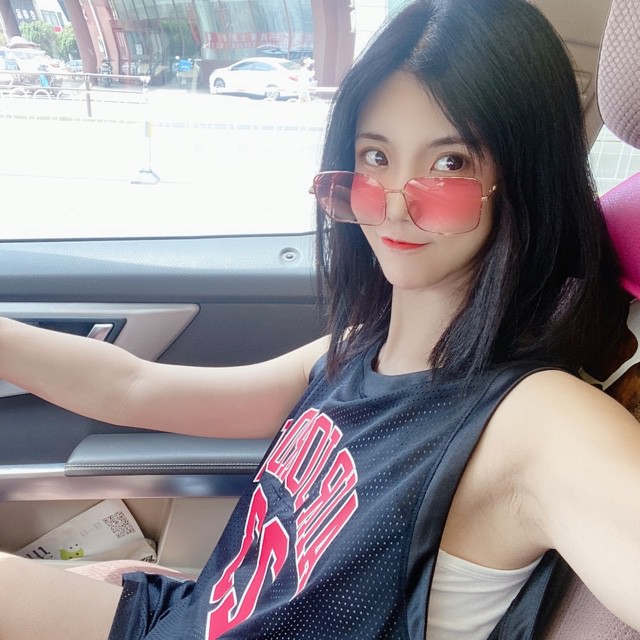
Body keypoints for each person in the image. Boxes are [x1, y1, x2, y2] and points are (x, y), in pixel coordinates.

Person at [0, 0, 639, 638]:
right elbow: (132, 387)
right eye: (375, 157)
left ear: (525, 178)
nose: (394, 205)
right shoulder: (358, 349)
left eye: (450, 163)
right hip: (191, 614)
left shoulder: (541, 423)